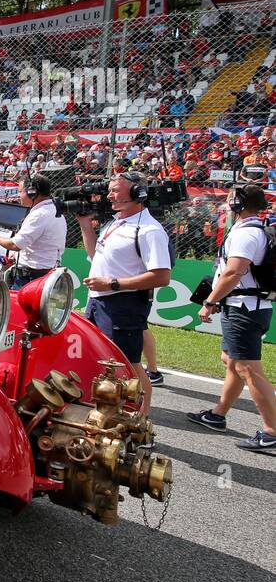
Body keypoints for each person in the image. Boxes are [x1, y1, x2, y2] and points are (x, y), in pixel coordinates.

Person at [188, 184, 276, 452]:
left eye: (229, 200)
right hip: (245, 305)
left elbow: (233, 272)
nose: (226, 204)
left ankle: (272, 431)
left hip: (244, 308)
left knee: (247, 368)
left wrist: (211, 301)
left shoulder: (246, 234)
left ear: (238, 204)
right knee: (232, 361)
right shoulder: (250, 230)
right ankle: (218, 414)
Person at [77, 172, 172, 407]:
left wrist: (112, 284)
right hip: (98, 300)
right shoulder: (116, 222)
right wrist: (85, 225)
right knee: (100, 359)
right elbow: (95, 256)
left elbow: (162, 276)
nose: (109, 195)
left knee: (129, 365)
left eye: (115, 190)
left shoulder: (150, 230)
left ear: (138, 194)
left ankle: (143, 421)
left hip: (123, 304)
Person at [0, 174, 67, 290]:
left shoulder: (39, 214)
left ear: (32, 193)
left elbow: (15, 245)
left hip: (32, 276)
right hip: (43, 272)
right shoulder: (53, 209)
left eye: (20, 191)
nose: (19, 195)